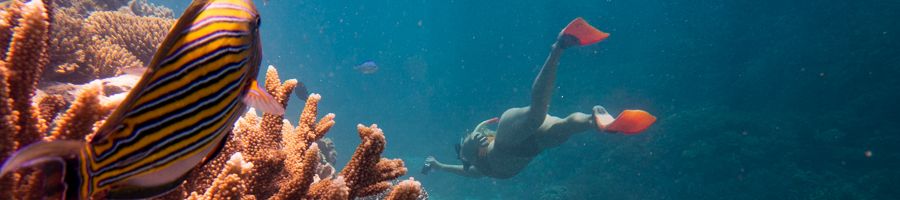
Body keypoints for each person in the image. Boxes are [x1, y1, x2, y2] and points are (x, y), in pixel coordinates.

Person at [422, 17, 657, 179]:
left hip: (506, 142)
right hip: (532, 147)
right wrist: (440, 166)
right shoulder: (478, 170)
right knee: (565, 127)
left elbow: (467, 149)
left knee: (537, 115)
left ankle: (559, 47)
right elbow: (464, 170)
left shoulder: (473, 153)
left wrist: (472, 143)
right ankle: (595, 121)